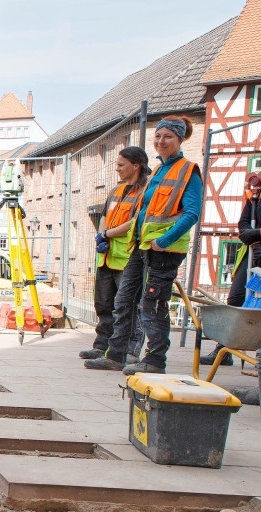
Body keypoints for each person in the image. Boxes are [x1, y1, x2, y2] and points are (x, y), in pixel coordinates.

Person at [85, 115, 203, 374]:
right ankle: (116, 355)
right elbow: (145, 212)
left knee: (152, 304)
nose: (161, 141)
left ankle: (154, 360)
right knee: (124, 300)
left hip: (165, 250)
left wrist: (164, 240)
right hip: (141, 247)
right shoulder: (160, 170)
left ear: (180, 139)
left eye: (168, 137)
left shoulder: (188, 170)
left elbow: (192, 213)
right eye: (158, 136)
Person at [79, 146, 150, 361]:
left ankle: (129, 350)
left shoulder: (145, 191)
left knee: (127, 308)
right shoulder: (116, 191)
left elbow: (135, 222)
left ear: (135, 165)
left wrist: (107, 234)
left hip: (128, 259)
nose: (117, 169)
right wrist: (101, 235)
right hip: (107, 257)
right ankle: (102, 345)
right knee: (104, 305)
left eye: (121, 165)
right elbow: (104, 216)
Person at [201, 172, 261, 367]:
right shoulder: (254, 196)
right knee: (235, 298)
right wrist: (248, 233)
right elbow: (244, 221)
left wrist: (257, 233)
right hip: (253, 250)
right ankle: (224, 350)